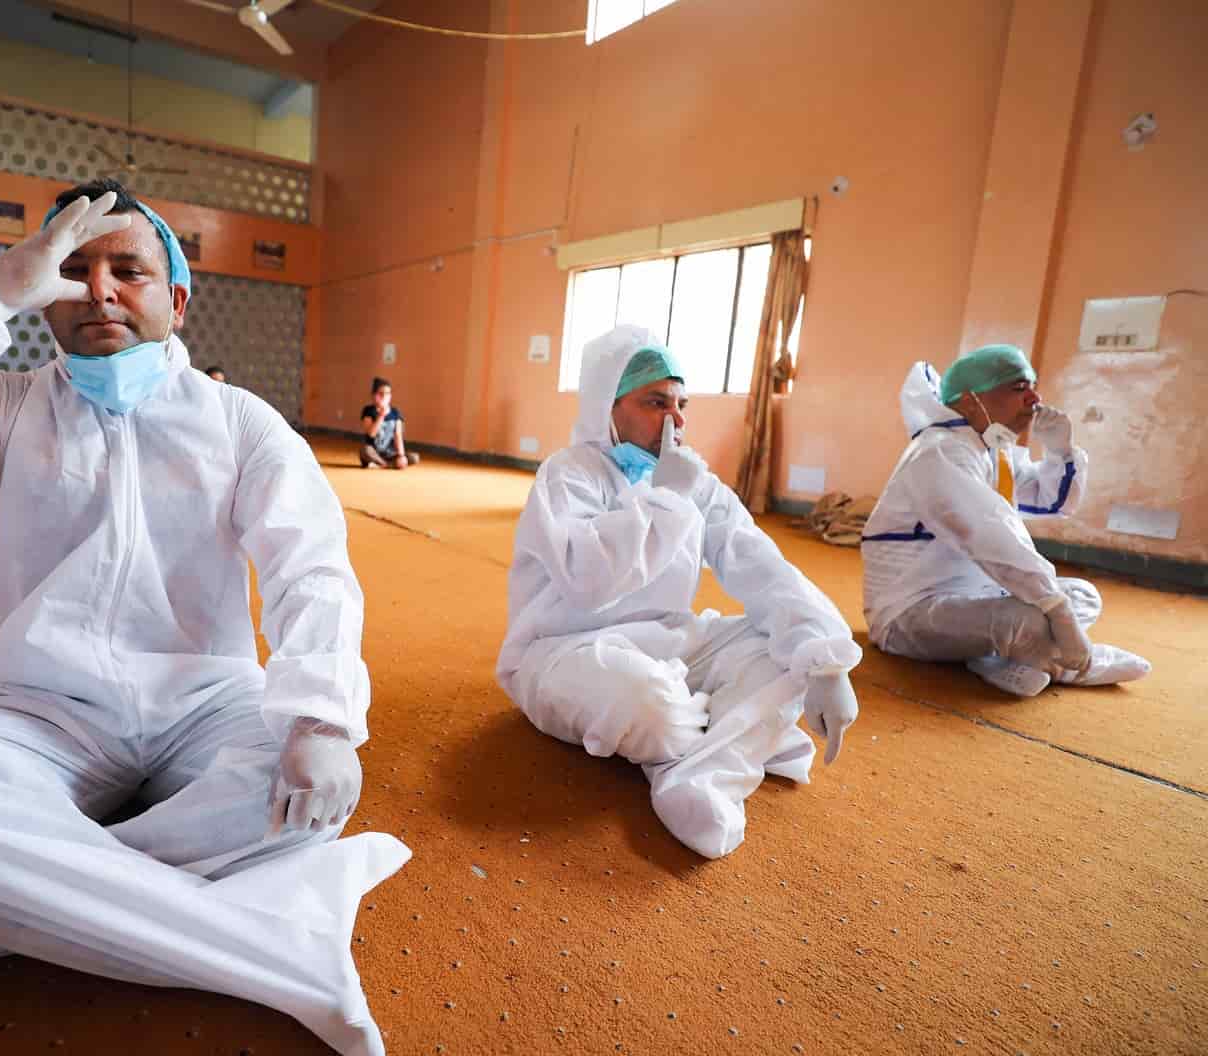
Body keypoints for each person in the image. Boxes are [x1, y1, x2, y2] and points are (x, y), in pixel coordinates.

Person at [0, 179, 408, 1055]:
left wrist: (319, 720)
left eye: (128, 270)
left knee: (312, 792)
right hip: (41, 710)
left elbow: (313, 570)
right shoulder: (4, 411)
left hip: (206, 703)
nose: (100, 290)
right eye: (73, 271)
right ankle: (277, 952)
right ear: (45, 296)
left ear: (176, 300)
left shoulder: (240, 423)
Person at [496, 325, 862, 859]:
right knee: (650, 708)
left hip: (669, 645)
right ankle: (723, 733)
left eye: (681, 404)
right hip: (564, 650)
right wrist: (666, 498)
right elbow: (589, 581)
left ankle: (700, 774)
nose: (677, 420)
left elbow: (761, 565)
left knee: (786, 657)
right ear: (607, 406)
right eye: (656, 402)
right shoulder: (569, 474)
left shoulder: (696, 483)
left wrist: (825, 661)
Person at [862, 346, 1150, 697]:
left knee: (1083, 596)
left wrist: (1060, 452)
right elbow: (989, 533)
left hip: (979, 594)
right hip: (911, 610)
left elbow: (1051, 501)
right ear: (970, 401)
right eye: (1018, 388)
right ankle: (1072, 666)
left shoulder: (990, 449)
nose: (1035, 398)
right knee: (1026, 620)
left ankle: (1000, 660)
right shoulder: (940, 451)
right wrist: (1056, 608)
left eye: (1033, 387)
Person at [359, 377, 418, 469]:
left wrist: (401, 455)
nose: (384, 396)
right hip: (373, 452)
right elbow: (371, 434)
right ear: (373, 395)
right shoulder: (368, 411)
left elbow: (398, 436)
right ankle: (386, 464)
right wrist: (381, 416)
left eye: (387, 393)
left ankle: (384, 464)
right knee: (365, 450)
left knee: (414, 457)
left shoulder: (395, 412)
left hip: (389, 453)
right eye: (380, 393)